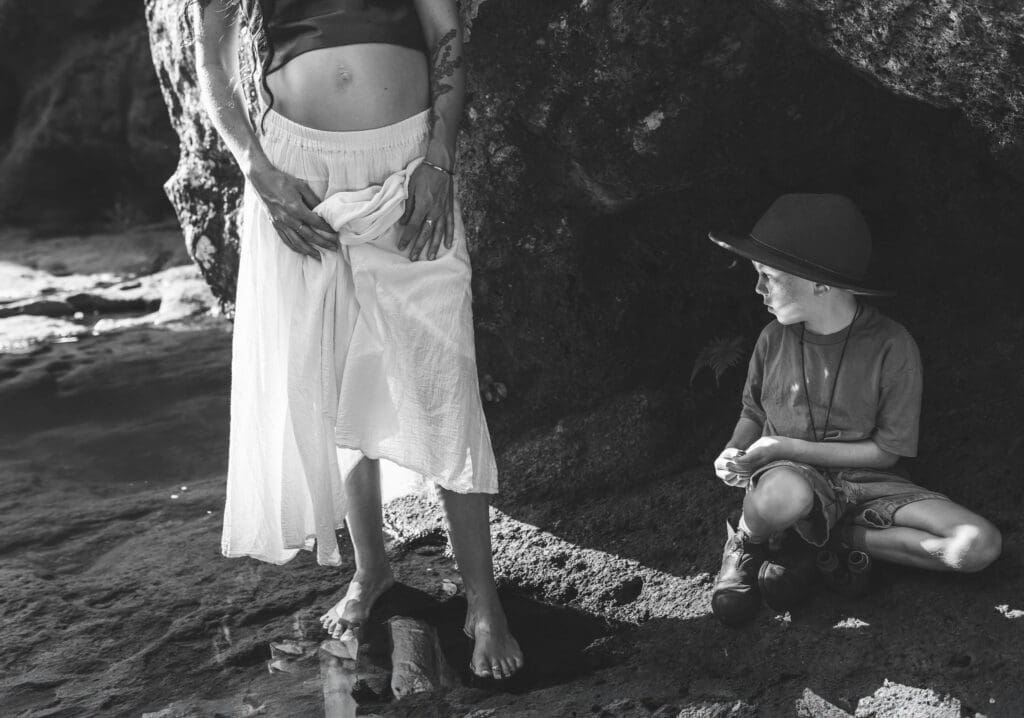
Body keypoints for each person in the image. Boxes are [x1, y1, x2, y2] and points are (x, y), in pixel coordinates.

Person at [192, 0, 523, 679]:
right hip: (295, 176)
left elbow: (444, 34)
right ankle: (371, 572)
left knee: (445, 374)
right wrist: (258, 171)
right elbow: (214, 68)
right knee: (335, 375)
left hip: (405, 165)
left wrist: (438, 160)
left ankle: (483, 600)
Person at [705, 194, 1002, 625]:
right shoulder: (773, 339)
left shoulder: (892, 344)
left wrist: (785, 444)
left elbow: (886, 453)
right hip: (790, 479)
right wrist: (735, 449)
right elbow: (752, 412)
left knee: (977, 545)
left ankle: (832, 539)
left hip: (868, 487)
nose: (758, 289)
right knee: (782, 494)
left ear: (820, 282)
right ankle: (747, 543)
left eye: (768, 276)